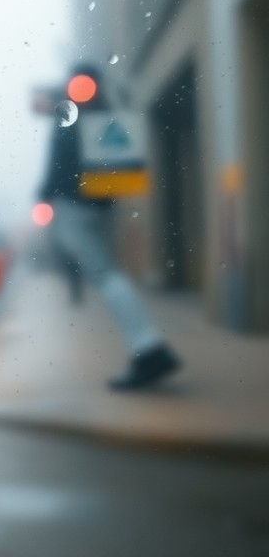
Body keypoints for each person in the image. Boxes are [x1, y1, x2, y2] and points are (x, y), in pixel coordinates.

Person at [37, 63, 181, 390]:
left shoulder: (71, 116)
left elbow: (57, 160)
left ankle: (149, 349)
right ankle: (148, 348)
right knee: (107, 273)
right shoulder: (101, 111)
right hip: (99, 204)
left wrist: (45, 195)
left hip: (74, 205)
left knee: (105, 275)